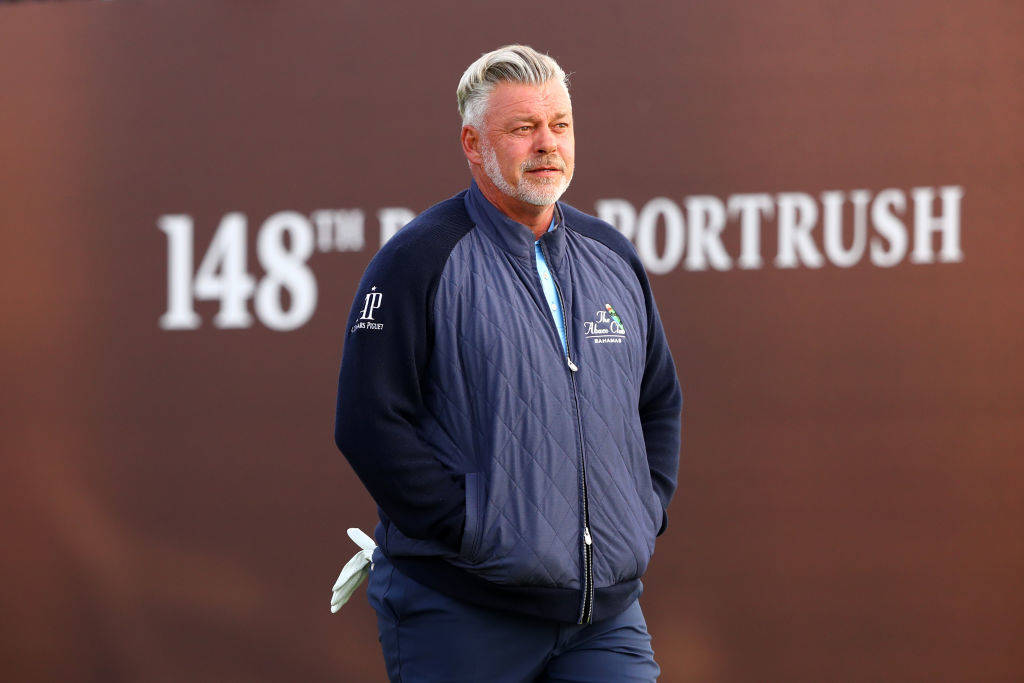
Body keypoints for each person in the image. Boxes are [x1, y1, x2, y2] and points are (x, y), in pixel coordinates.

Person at [334, 44, 682, 682]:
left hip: (603, 617)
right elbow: (368, 422)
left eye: (560, 125)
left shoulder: (612, 254)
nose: (547, 144)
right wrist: (472, 532)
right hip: (460, 610)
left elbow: (658, 400)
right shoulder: (418, 259)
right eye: (523, 128)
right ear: (473, 144)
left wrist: (642, 509)